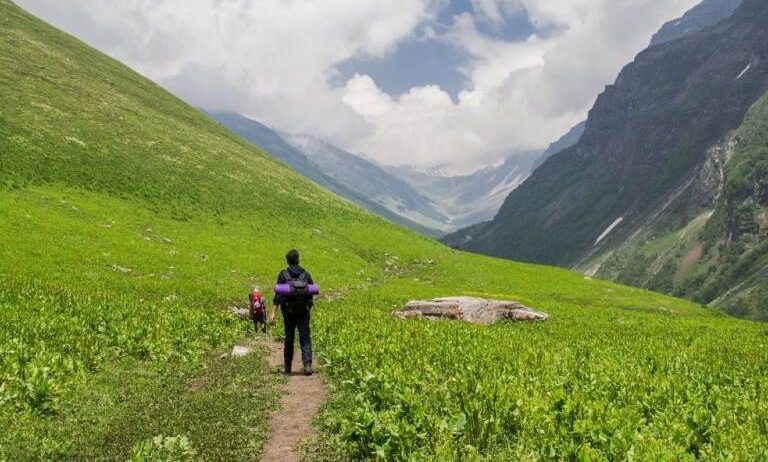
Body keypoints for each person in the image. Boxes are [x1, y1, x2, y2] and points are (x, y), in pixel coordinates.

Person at [269, 249, 315, 376]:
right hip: (304, 312)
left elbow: (278, 295)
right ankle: (307, 365)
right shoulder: (306, 275)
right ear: (298, 259)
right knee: (305, 337)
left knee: (289, 337)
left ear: (287, 261)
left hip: (288, 312)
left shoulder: (283, 275)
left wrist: (273, 312)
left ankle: (288, 367)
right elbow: (311, 293)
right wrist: (307, 307)